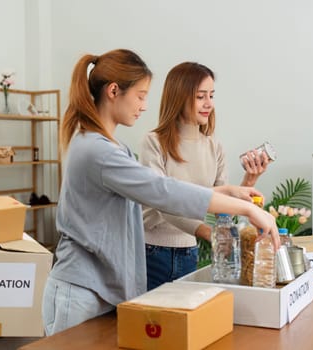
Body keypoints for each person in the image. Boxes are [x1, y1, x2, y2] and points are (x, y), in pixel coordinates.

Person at [42, 49, 279, 336]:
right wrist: (248, 209)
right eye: (141, 96)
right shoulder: (98, 151)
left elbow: (161, 188)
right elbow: (162, 191)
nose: (144, 106)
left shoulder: (112, 148)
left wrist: (230, 191)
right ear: (114, 91)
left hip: (100, 288)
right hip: (81, 290)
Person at [139, 61, 271, 290]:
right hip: (152, 253)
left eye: (211, 95)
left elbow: (222, 207)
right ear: (180, 97)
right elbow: (164, 202)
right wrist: (207, 233)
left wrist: (249, 181)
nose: (209, 104)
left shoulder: (214, 147)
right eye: (201, 96)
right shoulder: (153, 143)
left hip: (189, 253)